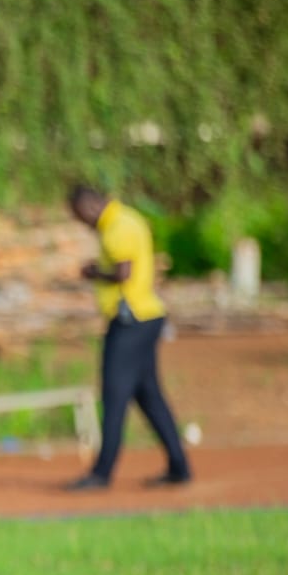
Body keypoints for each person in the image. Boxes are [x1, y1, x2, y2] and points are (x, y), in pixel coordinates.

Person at [65, 185, 191, 490]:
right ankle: (179, 466)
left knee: (114, 394)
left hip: (131, 320)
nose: (83, 223)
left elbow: (124, 273)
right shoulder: (125, 219)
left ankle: (102, 473)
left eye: (81, 216)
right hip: (144, 318)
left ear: (91, 206)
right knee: (149, 396)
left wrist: (95, 272)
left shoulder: (117, 228)